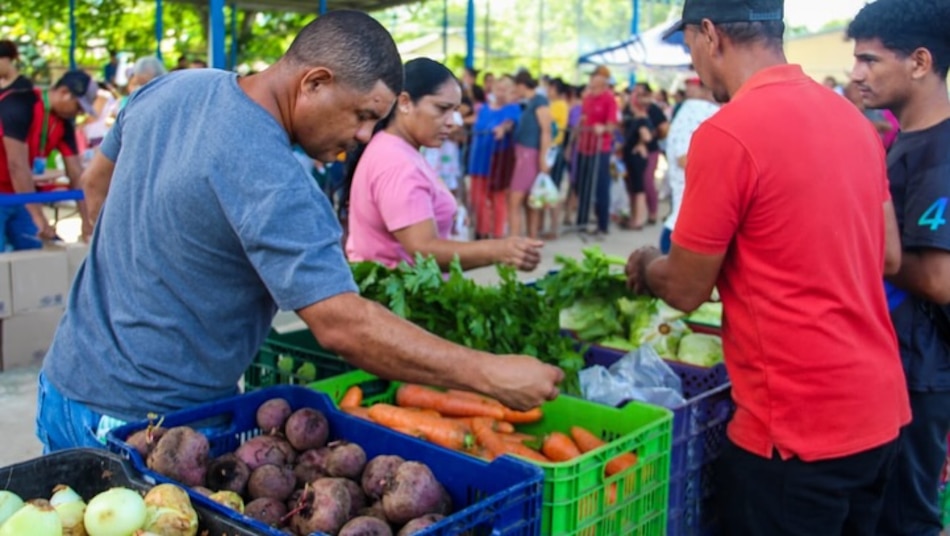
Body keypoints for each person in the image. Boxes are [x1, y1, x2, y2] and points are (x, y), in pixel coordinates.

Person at [39, 13, 562, 453]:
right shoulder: (278, 180)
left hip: (64, 385)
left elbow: (96, 183)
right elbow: (343, 327)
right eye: (362, 116)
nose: (362, 137)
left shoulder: (177, 86)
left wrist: (134, 263)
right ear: (314, 82)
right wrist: (490, 374)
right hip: (154, 426)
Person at [627, 0, 910, 533]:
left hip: (794, 430)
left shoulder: (727, 133)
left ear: (710, 34)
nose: (694, 64)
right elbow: (888, 255)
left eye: (689, 47)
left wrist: (646, 263)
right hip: (878, 410)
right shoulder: (852, 119)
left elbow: (686, 288)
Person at [847, 2, 950, 534]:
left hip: (920, 373)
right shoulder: (903, 139)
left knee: (905, 520)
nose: (856, 74)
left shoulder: (941, 152)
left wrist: (857, 248)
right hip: (894, 364)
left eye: (869, 60)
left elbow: (939, 279)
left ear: (920, 62)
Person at [346, 58, 541, 271]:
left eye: (454, 111)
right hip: (400, 298)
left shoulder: (396, 148)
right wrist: (499, 250)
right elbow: (424, 249)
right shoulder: (397, 163)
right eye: (442, 109)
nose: (452, 121)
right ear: (404, 102)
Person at [0, 70, 95, 250]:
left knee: (33, 252)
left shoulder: (64, 123)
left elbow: (76, 172)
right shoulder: (19, 105)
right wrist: (38, 216)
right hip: (11, 196)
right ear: (64, 93)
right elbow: (16, 165)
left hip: (19, 195)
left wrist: (86, 220)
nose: (80, 113)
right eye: (78, 106)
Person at [660, 77, 719, 253]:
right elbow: (683, 158)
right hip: (687, 228)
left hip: (685, 225)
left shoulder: (696, 110)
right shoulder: (697, 109)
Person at [468, 74, 521, 239]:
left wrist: (502, 128)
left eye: (506, 89)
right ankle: (481, 230)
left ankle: (497, 233)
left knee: (497, 198)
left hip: (497, 161)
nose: (501, 92)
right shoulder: (484, 108)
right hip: (478, 159)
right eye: (499, 88)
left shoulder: (513, 109)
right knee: (478, 197)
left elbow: (509, 123)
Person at [575, 66, 618, 236]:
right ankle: (582, 221)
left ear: (603, 85)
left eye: (594, 86)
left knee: (601, 186)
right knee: (582, 184)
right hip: (585, 147)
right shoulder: (587, 99)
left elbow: (612, 125)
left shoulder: (609, 100)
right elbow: (584, 119)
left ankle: (602, 225)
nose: (591, 88)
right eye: (590, 85)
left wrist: (603, 128)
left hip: (601, 149)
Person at [508, 70, 551, 239]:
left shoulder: (539, 102)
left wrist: (543, 158)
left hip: (529, 156)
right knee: (530, 201)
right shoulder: (531, 102)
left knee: (515, 198)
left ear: (521, 85)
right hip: (525, 154)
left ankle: (514, 239)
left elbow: (546, 131)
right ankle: (531, 238)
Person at [631, 82, 669, 226]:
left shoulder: (654, 110)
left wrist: (654, 137)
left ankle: (652, 213)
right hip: (633, 151)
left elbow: (664, 128)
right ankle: (637, 213)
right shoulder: (632, 109)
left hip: (651, 150)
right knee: (636, 183)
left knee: (647, 181)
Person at [619, 87, 653, 231]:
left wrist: (641, 144)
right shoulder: (637, 119)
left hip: (637, 158)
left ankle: (638, 219)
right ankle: (635, 217)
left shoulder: (642, 120)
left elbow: (647, 136)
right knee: (634, 188)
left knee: (638, 188)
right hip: (631, 157)